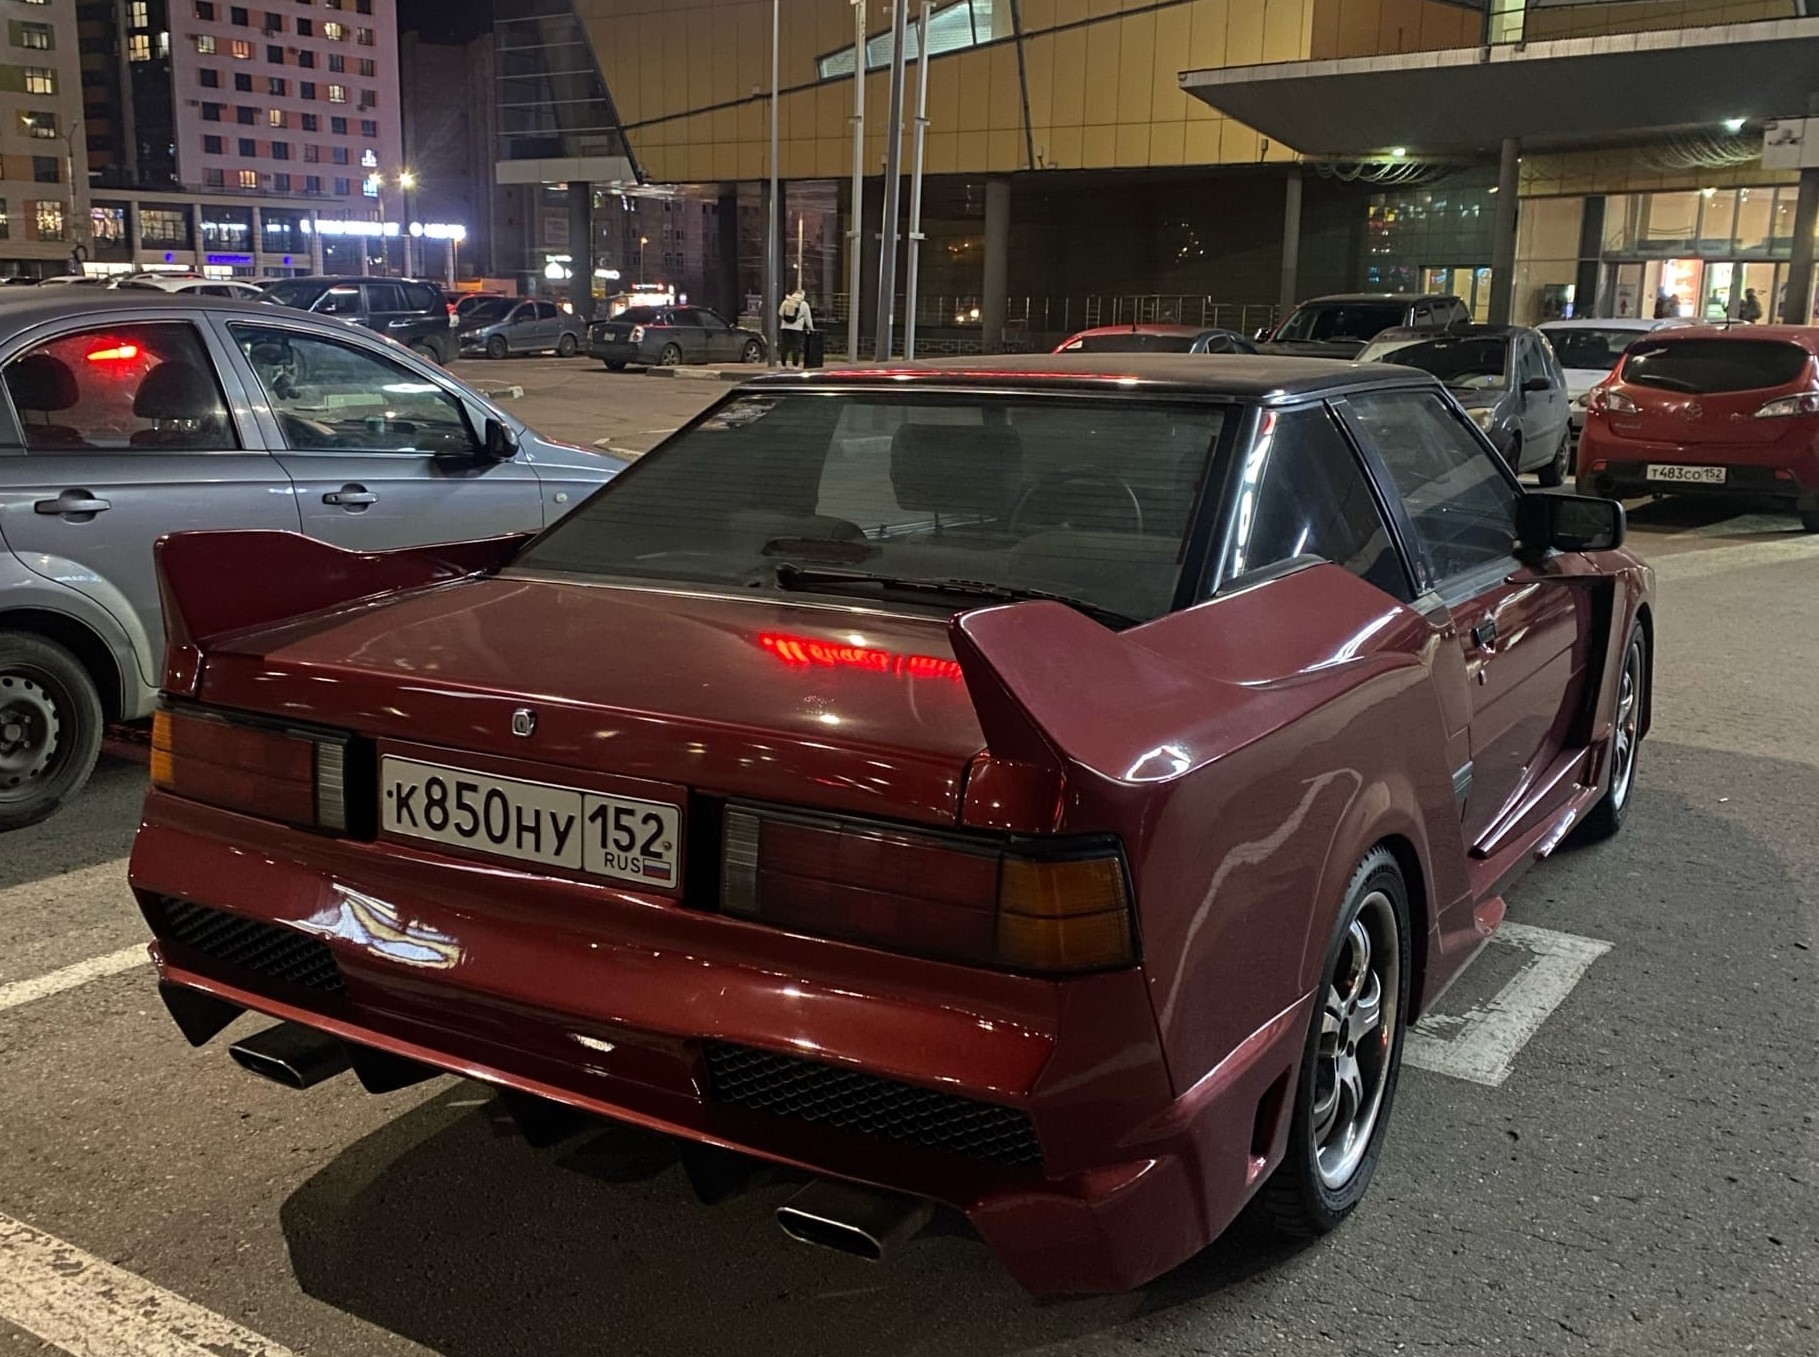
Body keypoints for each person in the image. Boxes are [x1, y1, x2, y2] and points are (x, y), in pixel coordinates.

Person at [778, 289, 813, 367]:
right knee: (796, 347)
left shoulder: (786, 301)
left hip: (784, 327)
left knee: (784, 346)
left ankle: (783, 365)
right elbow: (808, 318)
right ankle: (795, 365)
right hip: (797, 328)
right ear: (803, 295)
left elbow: (780, 313)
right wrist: (811, 328)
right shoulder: (804, 304)